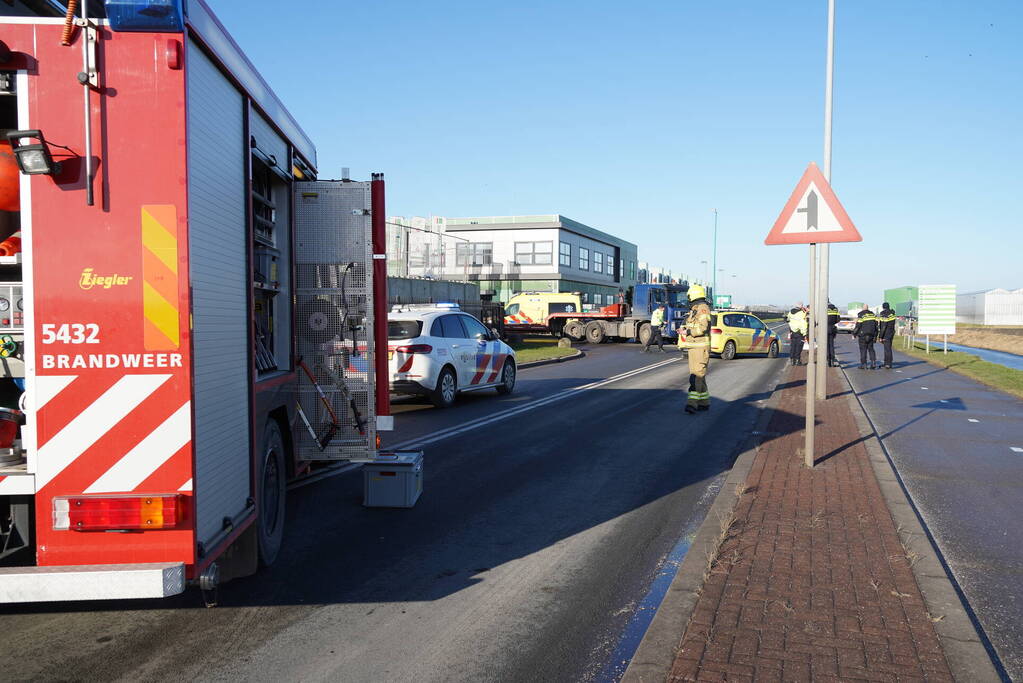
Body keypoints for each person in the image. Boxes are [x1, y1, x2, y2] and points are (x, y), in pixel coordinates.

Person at [677, 285, 712, 414]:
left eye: (689, 296)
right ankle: (704, 402)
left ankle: (692, 404)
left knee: (696, 377)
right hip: (694, 347)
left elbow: (703, 328)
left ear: (694, 295)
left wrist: (689, 332)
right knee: (699, 377)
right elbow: (693, 325)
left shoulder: (703, 309)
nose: (688, 298)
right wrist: (684, 330)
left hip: (700, 348)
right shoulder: (695, 309)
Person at [853, 304, 878, 369]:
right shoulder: (872, 314)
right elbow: (876, 326)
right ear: (868, 308)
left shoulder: (861, 314)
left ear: (863, 308)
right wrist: (875, 335)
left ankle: (864, 364)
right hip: (871, 335)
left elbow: (858, 325)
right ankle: (873, 363)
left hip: (863, 335)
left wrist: (854, 334)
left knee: (863, 350)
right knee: (871, 349)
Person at [877, 303, 897, 369]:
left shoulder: (883, 313)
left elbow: (883, 326)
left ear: (883, 307)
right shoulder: (892, 313)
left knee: (887, 349)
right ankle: (887, 362)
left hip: (886, 333)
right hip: (891, 332)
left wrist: (880, 336)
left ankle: (888, 364)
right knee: (888, 348)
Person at [827, 302, 841, 366]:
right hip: (832, 328)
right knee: (831, 344)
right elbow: (838, 319)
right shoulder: (835, 309)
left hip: (825, 328)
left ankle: (828, 360)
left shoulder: (824, 308)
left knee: (826, 345)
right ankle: (832, 360)